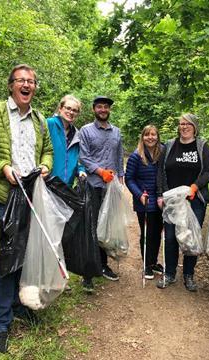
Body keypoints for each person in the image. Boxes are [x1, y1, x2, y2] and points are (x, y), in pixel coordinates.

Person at [0, 64, 53, 353]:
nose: (26, 85)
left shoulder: (40, 119)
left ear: (35, 87)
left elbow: (48, 152)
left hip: (31, 198)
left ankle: (19, 306)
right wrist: (2, 167)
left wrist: (45, 166)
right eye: (21, 80)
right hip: (5, 199)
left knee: (26, 257)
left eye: (31, 81)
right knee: (6, 261)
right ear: (11, 85)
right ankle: (1, 324)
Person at [156, 113, 209, 291]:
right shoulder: (170, 146)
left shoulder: (202, 146)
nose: (184, 127)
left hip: (194, 200)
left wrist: (195, 187)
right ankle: (170, 273)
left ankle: (189, 275)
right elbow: (161, 171)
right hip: (173, 200)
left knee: (191, 237)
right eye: (181, 124)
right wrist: (161, 195)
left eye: (188, 124)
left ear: (194, 127)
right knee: (171, 237)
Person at [78, 96, 124, 292]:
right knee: (92, 227)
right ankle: (88, 273)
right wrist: (99, 171)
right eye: (99, 106)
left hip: (111, 187)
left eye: (106, 107)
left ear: (109, 110)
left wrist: (120, 178)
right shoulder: (86, 131)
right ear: (94, 109)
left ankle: (103, 265)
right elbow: (84, 157)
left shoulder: (117, 132)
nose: (103, 109)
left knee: (106, 227)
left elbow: (119, 155)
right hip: (93, 185)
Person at [125, 125, 164, 280]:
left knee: (157, 232)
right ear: (142, 137)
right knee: (147, 233)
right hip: (145, 200)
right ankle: (146, 264)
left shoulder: (162, 152)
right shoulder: (136, 156)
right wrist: (139, 194)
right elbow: (129, 179)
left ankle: (153, 262)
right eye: (147, 135)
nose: (150, 137)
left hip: (160, 199)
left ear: (157, 136)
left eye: (153, 134)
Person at [47, 95, 86, 185]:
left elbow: (77, 159)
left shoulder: (77, 135)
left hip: (67, 187)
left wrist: (81, 170)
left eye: (74, 110)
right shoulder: (49, 124)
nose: (71, 112)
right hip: (48, 183)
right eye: (68, 108)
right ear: (60, 108)